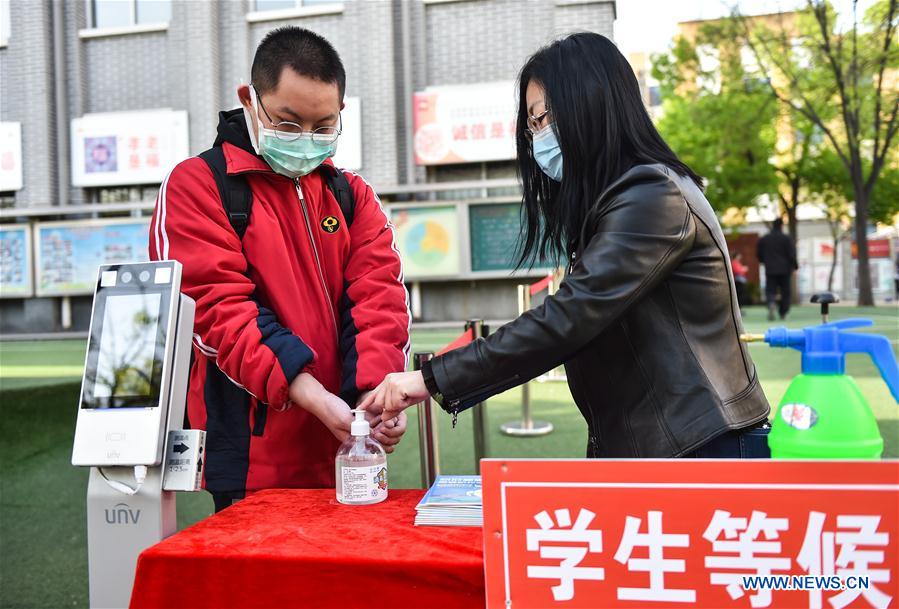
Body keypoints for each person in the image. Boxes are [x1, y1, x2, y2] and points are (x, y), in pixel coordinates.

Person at [360, 33, 771, 459]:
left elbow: (569, 317)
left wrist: (429, 379)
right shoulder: (624, 197)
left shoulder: (652, 196)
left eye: (545, 119)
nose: (538, 138)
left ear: (591, 106)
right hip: (663, 445)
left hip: (697, 446)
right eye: (532, 126)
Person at [149, 27, 411, 511]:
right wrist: (313, 396)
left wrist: (378, 395)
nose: (306, 140)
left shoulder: (350, 194)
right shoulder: (198, 185)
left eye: (322, 125)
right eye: (288, 124)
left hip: (348, 449)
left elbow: (380, 300)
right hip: (252, 461)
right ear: (249, 100)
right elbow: (217, 312)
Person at [756, 218, 798, 321]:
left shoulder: (764, 239)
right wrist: (795, 266)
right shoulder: (786, 238)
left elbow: (758, 253)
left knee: (770, 289)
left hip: (770, 268)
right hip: (785, 269)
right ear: (781, 226)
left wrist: (763, 261)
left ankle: (771, 303)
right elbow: (792, 254)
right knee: (785, 291)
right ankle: (783, 312)